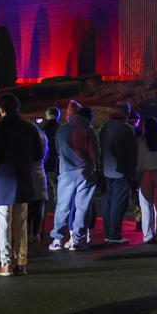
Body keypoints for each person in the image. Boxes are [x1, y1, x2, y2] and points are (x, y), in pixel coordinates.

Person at [0, 93, 42, 276]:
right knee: (21, 224)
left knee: (3, 225)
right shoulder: (30, 128)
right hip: (24, 180)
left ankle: (6, 263)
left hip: (2, 182)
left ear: (1, 109)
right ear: (18, 108)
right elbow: (38, 154)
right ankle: (22, 262)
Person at [49, 100, 100, 251]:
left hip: (66, 172)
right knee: (83, 207)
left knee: (62, 206)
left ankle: (57, 239)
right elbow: (95, 155)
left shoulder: (62, 130)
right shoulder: (89, 131)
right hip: (85, 172)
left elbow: (58, 150)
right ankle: (76, 240)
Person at [99, 101, 138, 245]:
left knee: (107, 203)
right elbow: (131, 153)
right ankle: (115, 235)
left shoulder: (105, 127)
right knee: (118, 204)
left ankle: (108, 234)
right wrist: (132, 173)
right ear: (127, 112)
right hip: (121, 171)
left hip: (105, 170)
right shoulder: (126, 128)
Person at [28, 123, 50, 242]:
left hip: (26, 173)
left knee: (26, 206)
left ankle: (27, 233)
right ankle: (35, 233)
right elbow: (44, 158)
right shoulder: (43, 139)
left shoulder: (26, 141)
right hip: (39, 173)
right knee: (37, 206)